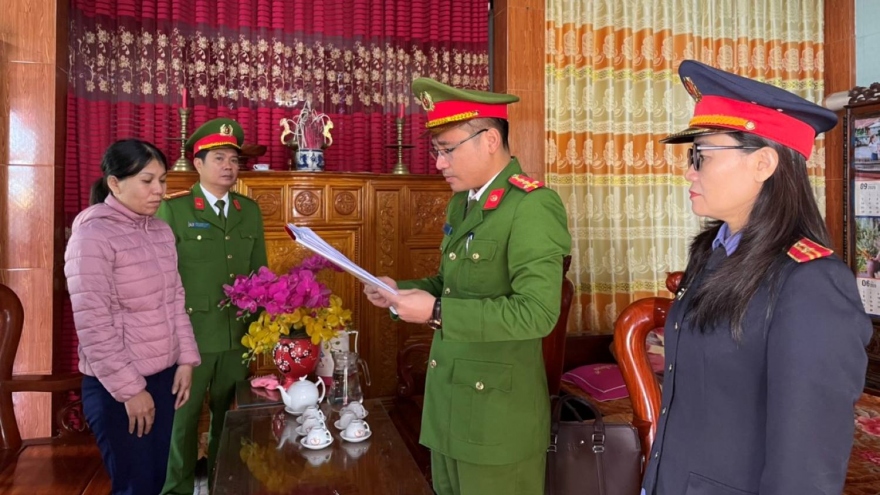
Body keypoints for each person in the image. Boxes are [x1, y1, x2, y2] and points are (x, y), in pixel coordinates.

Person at [640, 60, 872, 495]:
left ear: (763, 163)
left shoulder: (809, 283)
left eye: (702, 156)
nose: (689, 171)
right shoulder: (712, 251)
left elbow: (806, 463)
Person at [364, 78, 572, 495]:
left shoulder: (532, 205)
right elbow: (450, 285)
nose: (439, 163)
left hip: (497, 420)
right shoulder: (463, 202)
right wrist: (397, 290)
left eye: (448, 149)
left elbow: (537, 313)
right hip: (451, 408)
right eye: (436, 151)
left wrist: (435, 312)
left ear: (490, 140)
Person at [64, 139, 201, 495]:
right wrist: (131, 390)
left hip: (163, 377)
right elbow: (93, 324)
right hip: (119, 386)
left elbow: (175, 299)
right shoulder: (92, 236)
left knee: (155, 481)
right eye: (147, 181)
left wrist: (186, 360)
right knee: (134, 485)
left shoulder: (160, 231)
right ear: (115, 183)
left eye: (162, 180)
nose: (159, 190)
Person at [158, 118, 268, 495]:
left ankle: (226, 484)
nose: (228, 166)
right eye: (219, 158)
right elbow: (163, 279)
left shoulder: (248, 210)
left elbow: (260, 273)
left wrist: (260, 327)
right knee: (183, 420)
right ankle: (177, 490)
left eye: (234, 160)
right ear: (198, 163)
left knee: (232, 417)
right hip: (192, 337)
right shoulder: (176, 210)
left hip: (238, 334)